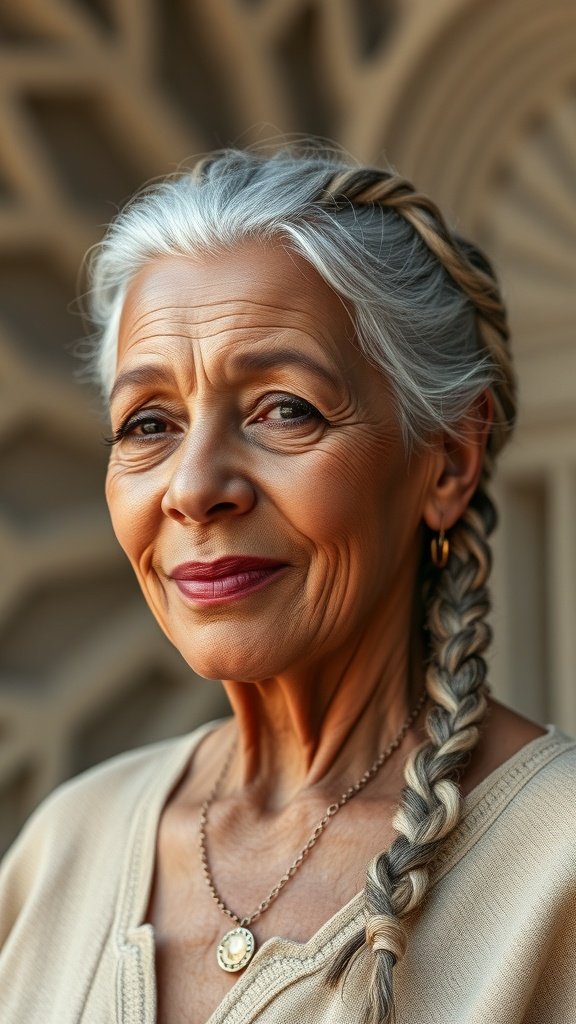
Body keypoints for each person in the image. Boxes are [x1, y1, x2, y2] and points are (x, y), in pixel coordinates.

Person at [0, 146, 574, 1024]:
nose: (195, 487)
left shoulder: (555, 867)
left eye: (285, 409)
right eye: (149, 424)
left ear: (448, 461)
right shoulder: (64, 852)